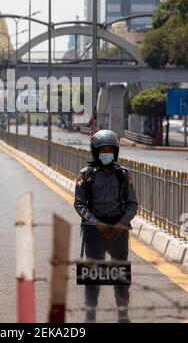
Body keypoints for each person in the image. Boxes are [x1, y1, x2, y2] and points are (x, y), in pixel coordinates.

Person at [74, 129, 138, 324]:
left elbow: (132, 204)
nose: (107, 153)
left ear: (116, 152)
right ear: (95, 152)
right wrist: (96, 223)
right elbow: (79, 204)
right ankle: (90, 315)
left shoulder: (123, 175)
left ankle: (122, 314)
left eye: (110, 149)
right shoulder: (86, 175)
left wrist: (122, 223)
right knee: (93, 274)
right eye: (103, 150)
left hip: (119, 229)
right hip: (94, 231)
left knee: (120, 274)